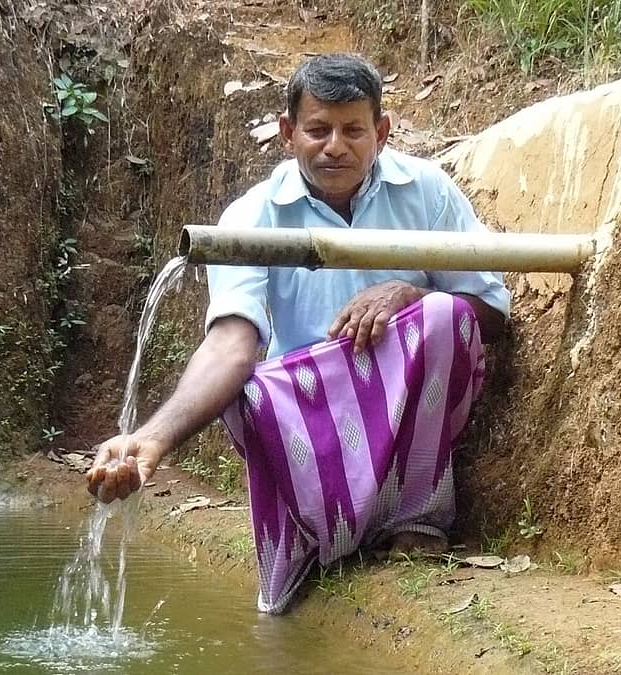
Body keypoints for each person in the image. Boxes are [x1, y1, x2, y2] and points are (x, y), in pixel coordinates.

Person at [87, 53, 509, 613]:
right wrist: (154, 439)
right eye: (317, 129)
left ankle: (416, 518)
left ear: (381, 132)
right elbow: (231, 347)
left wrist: (413, 294)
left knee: (443, 316)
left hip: (407, 401)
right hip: (309, 414)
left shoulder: (428, 192)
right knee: (253, 391)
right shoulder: (251, 216)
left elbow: (491, 311)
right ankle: (318, 531)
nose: (335, 145)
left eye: (353, 130)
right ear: (288, 133)